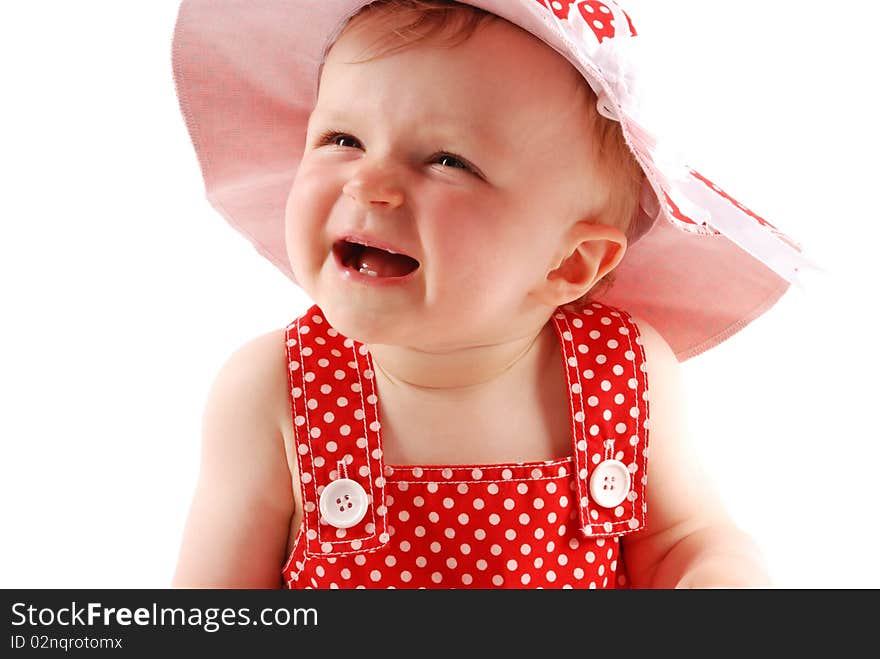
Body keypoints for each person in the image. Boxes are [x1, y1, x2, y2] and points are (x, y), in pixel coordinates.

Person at [170, 0, 813, 588]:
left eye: (448, 161)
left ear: (570, 263)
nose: (369, 184)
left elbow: (684, 540)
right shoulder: (274, 388)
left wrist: (720, 577)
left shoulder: (624, 374)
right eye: (344, 140)